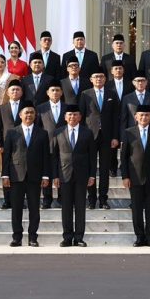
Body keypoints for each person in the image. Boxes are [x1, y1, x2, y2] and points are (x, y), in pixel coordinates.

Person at [2, 101, 51, 247]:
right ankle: (17, 237)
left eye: (31, 112)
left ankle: (32, 237)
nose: (29, 115)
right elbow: (7, 156)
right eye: (26, 112)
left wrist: (45, 175)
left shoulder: (42, 133)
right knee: (16, 208)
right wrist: (5, 175)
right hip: (16, 176)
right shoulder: (12, 132)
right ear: (20, 115)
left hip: (35, 177)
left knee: (34, 208)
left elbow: (45, 156)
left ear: (35, 115)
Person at [121, 105, 150, 247]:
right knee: (136, 209)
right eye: (141, 115)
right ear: (136, 117)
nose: (144, 118)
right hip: (134, 177)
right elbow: (124, 157)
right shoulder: (129, 133)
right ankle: (139, 237)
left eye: (147, 115)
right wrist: (125, 176)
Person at [52, 104, 96, 247]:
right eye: (70, 115)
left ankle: (79, 237)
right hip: (64, 174)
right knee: (66, 208)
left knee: (80, 207)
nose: (72, 117)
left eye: (75, 114)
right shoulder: (58, 132)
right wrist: (55, 176)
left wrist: (92, 175)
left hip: (82, 175)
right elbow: (54, 156)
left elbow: (92, 156)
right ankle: (67, 237)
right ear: (65, 117)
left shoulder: (87, 132)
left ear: (80, 117)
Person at [79, 68, 118, 209]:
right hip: (90, 136)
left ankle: (103, 199)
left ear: (105, 79)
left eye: (101, 77)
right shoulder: (85, 94)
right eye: (96, 77)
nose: (99, 79)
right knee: (90, 168)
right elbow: (81, 117)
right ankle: (91, 199)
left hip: (107, 137)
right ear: (91, 79)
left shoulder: (111, 94)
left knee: (104, 169)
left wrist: (115, 137)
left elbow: (116, 117)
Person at [36, 81, 67, 208]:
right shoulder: (41, 108)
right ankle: (47, 199)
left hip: (64, 145)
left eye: (57, 90)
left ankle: (62, 197)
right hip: (46, 144)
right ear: (48, 93)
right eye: (52, 90)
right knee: (46, 171)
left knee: (62, 170)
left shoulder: (67, 108)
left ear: (61, 92)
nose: (55, 93)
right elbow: (37, 128)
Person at [0, 78, 24, 208]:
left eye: (18, 89)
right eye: (13, 89)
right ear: (8, 92)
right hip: (6, 145)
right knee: (6, 172)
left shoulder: (26, 107)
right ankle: (7, 200)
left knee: (21, 172)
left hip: (23, 145)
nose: (15, 91)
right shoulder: (2, 108)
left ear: (21, 92)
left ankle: (20, 201)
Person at [120, 71, 150, 140]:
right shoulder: (127, 98)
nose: (140, 83)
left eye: (142, 81)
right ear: (133, 83)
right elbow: (124, 119)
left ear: (146, 82)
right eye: (138, 81)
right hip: (132, 134)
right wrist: (123, 138)